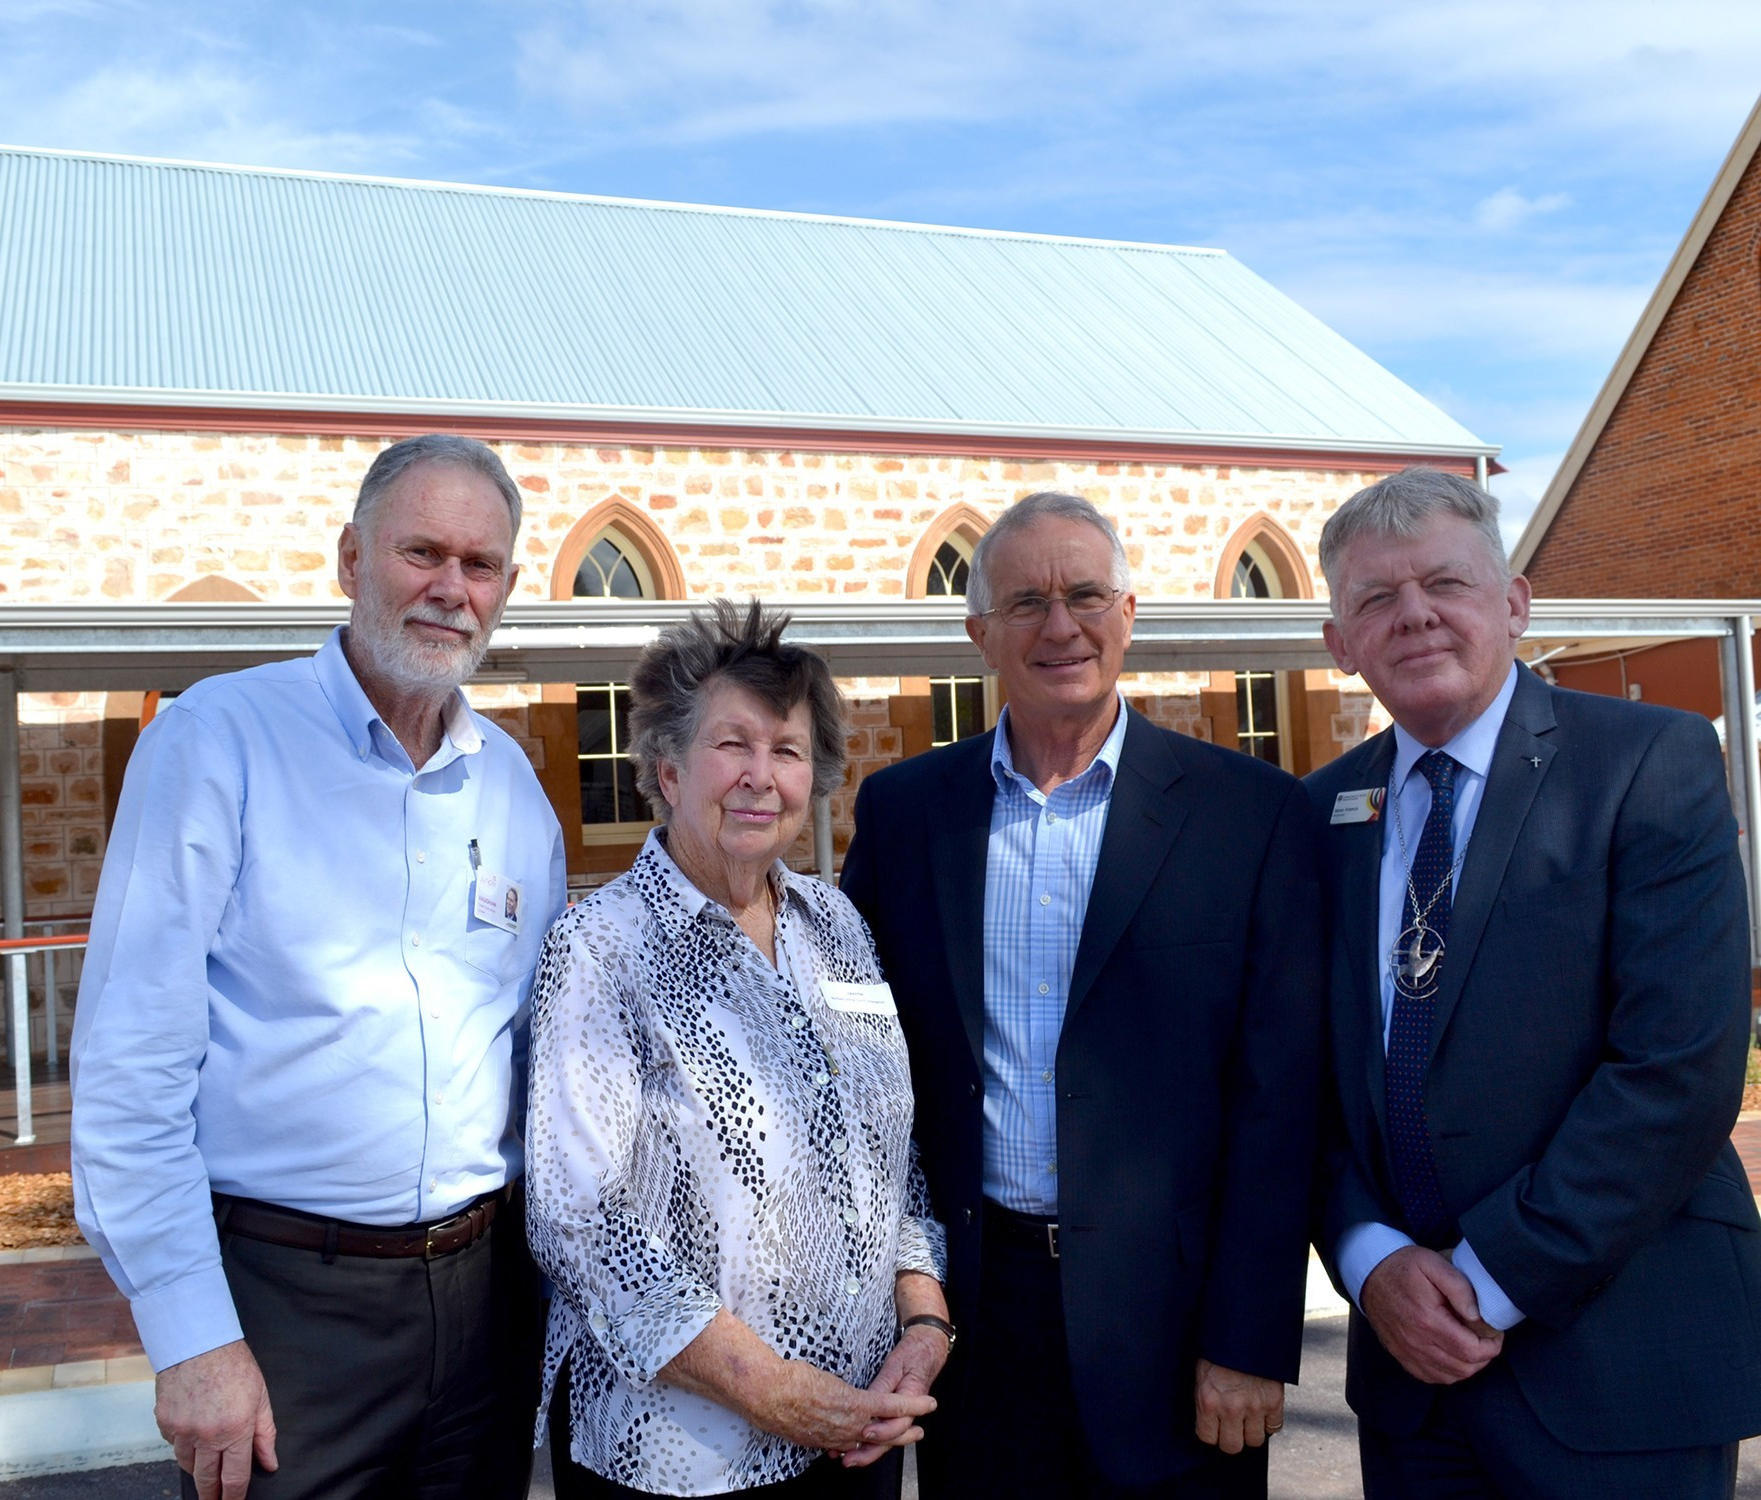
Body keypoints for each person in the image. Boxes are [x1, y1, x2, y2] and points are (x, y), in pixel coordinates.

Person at [71, 433, 566, 1500]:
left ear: (508, 588)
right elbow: (130, 1067)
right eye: (419, 552)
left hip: (485, 1302)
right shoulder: (215, 743)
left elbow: (537, 1053)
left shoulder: (514, 787)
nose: (449, 589)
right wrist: (190, 1335)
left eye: (479, 566)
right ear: (349, 558)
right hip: (290, 1307)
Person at [841, 492, 1324, 1497]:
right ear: (978, 634)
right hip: (977, 1321)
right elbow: (859, 1071)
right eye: (1025, 603)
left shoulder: (1249, 815)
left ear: (1129, 612)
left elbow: (1280, 1099)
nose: (1060, 626)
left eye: (1085, 595)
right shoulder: (902, 816)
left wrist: (1249, 1336)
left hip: (1180, 1324)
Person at [1307, 466, 1761, 1498]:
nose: (1412, 614)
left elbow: (1676, 1068)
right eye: (1374, 598)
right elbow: (1297, 1074)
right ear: (1338, 645)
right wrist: (1370, 1257)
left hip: (1617, 1357)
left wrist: (1484, 1281)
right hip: (1408, 1379)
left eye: (1443, 584)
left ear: (1512, 602)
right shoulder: (1318, 812)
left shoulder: (1648, 763)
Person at [525, 598, 950, 1499]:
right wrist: (776, 1391)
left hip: (855, 1434)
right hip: (682, 1456)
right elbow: (581, 1221)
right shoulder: (603, 946)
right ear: (668, 768)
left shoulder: (835, 926)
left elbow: (887, 1153)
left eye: (787, 751)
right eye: (734, 745)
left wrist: (924, 1322)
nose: (761, 776)